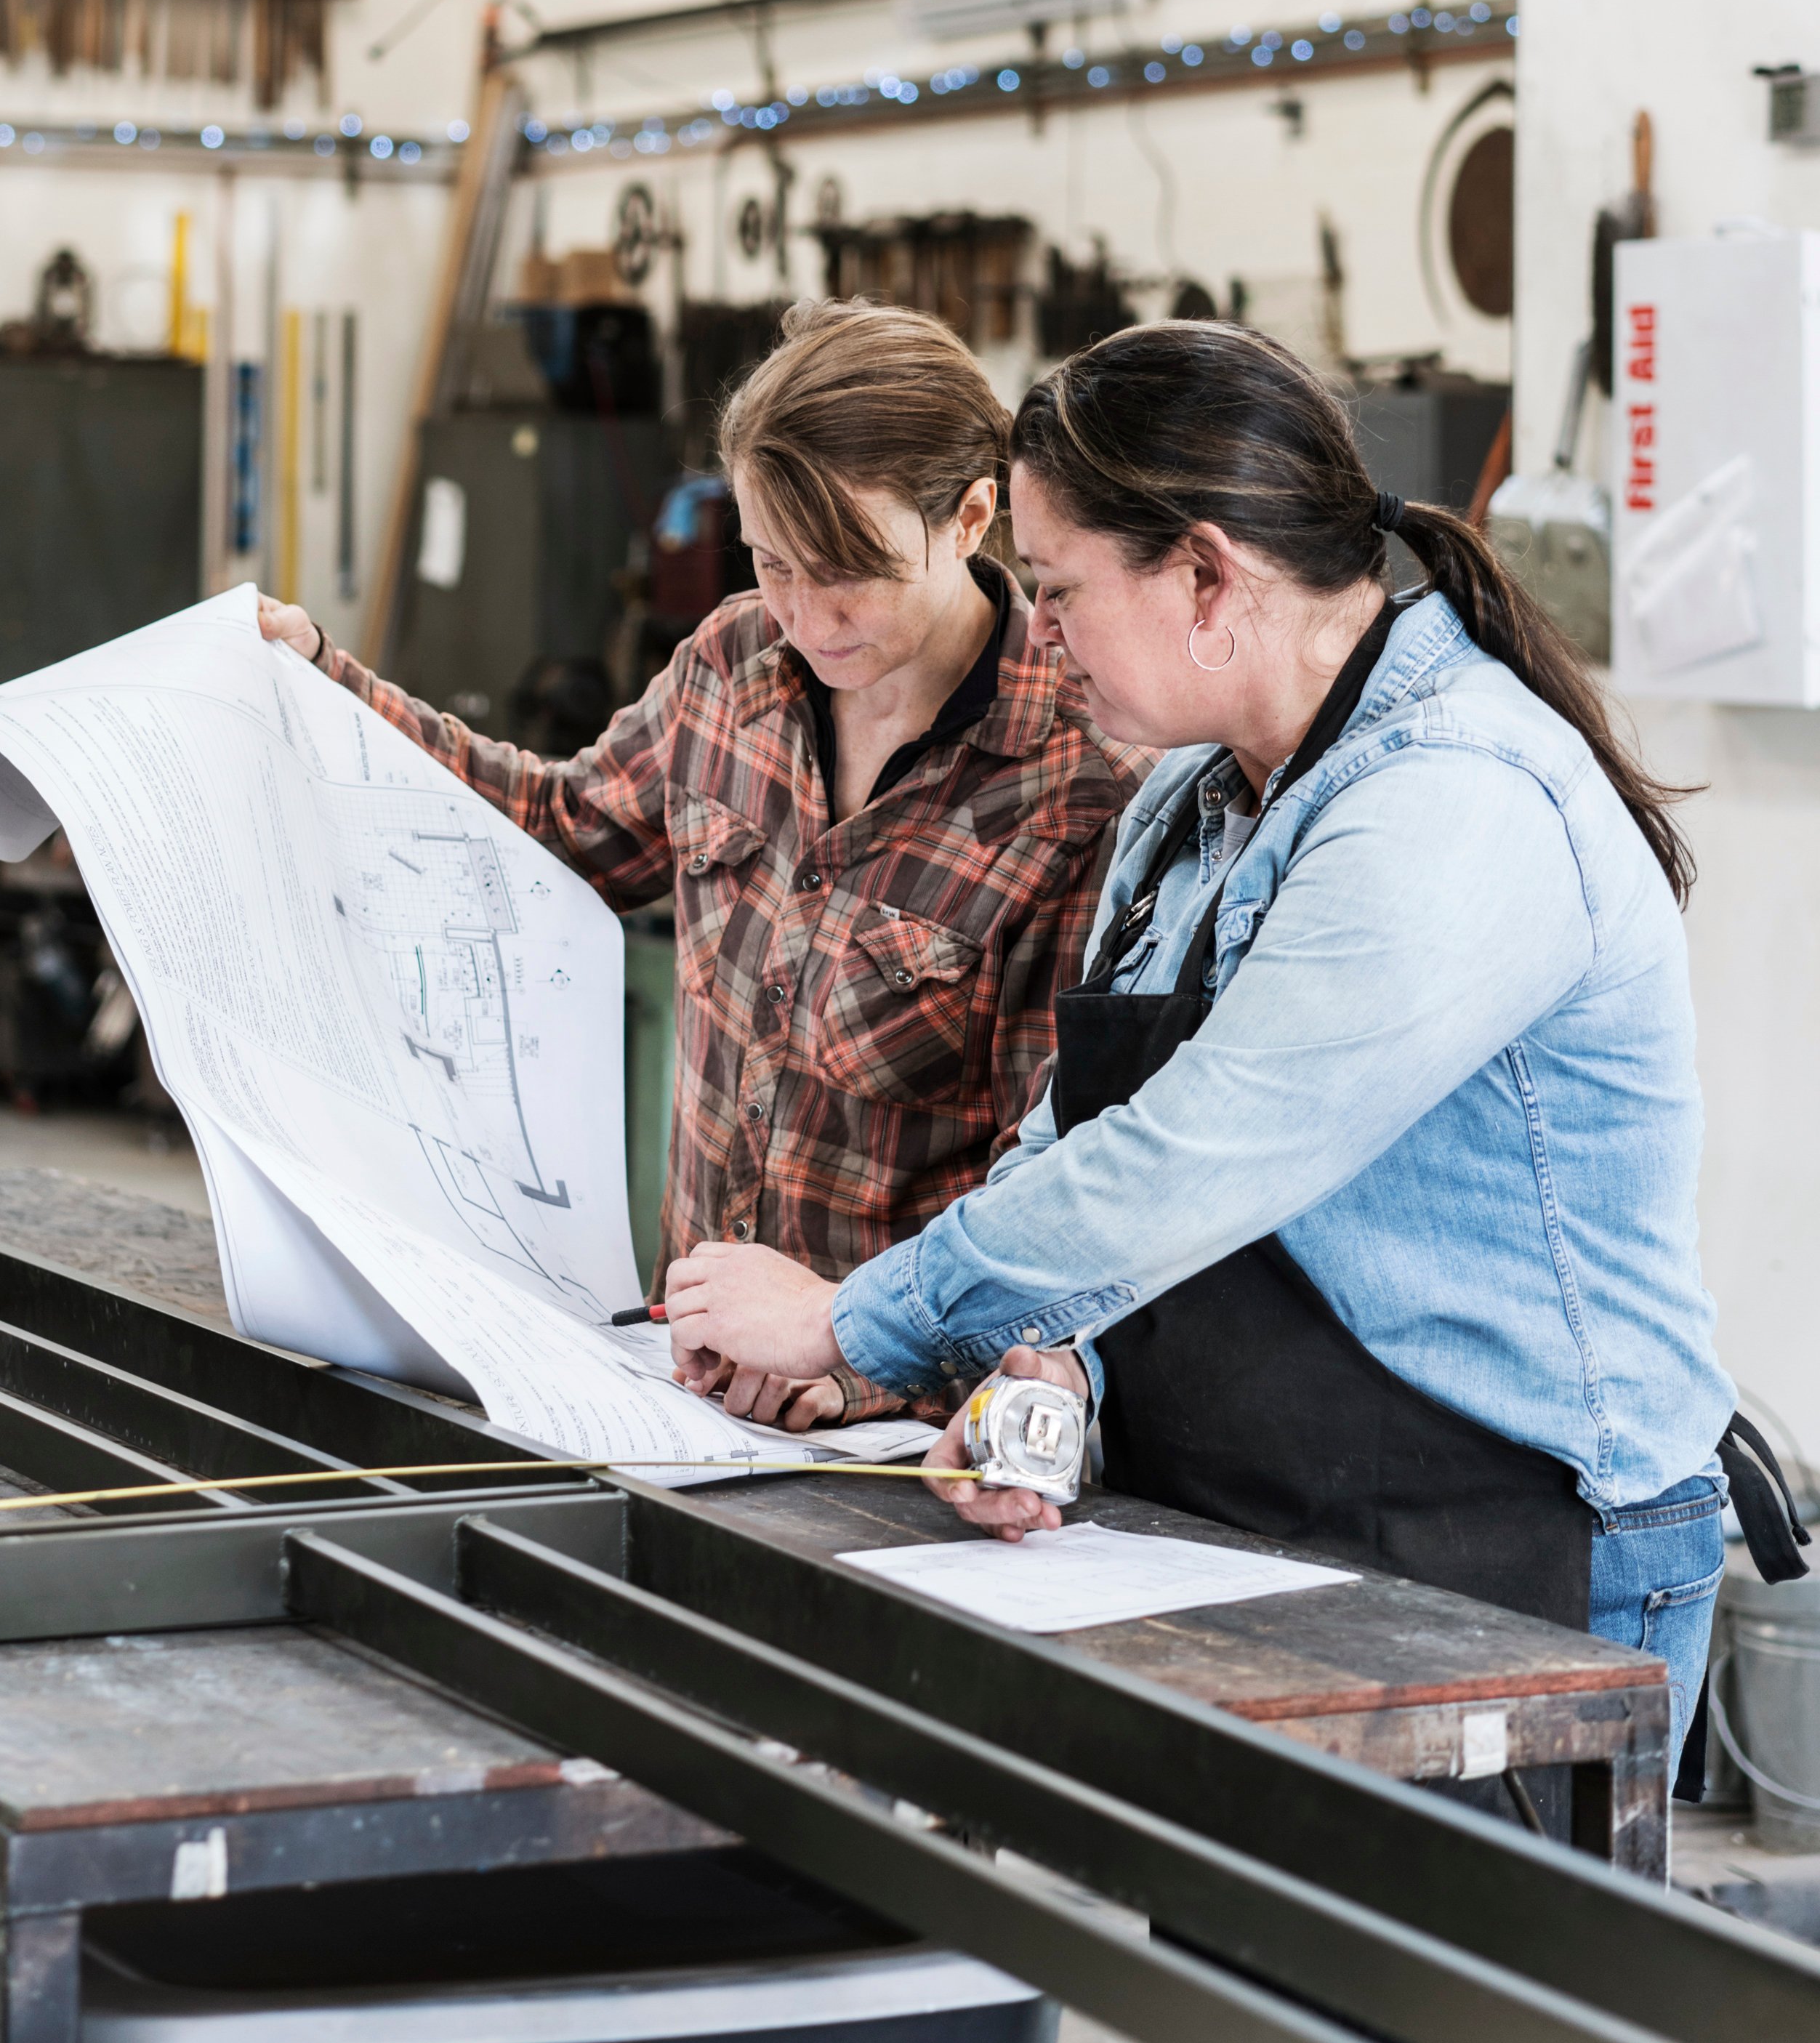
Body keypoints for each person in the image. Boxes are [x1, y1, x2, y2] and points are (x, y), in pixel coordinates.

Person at [666, 318, 1805, 1744]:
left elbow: (1199, 1155)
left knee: (1423, 1978)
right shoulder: (1182, 809)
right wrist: (1041, 1379)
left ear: (1204, 574)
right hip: (1248, 1525)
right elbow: (1070, 1149)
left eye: (1062, 588)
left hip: (1509, 1546)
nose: (1043, 627)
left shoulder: (1455, 800)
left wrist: (845, 1312)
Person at [259, 299, 1133, 1421]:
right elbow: (560, 831)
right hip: (675, 1385)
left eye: (847, 571)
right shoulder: (733, 665)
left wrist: (875, 1360)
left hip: (877, 1433)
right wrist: (328, 689)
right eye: (772, 561)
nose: (805, 613)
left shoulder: (1070, 789)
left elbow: (1048, 1186)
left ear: (970, 518)